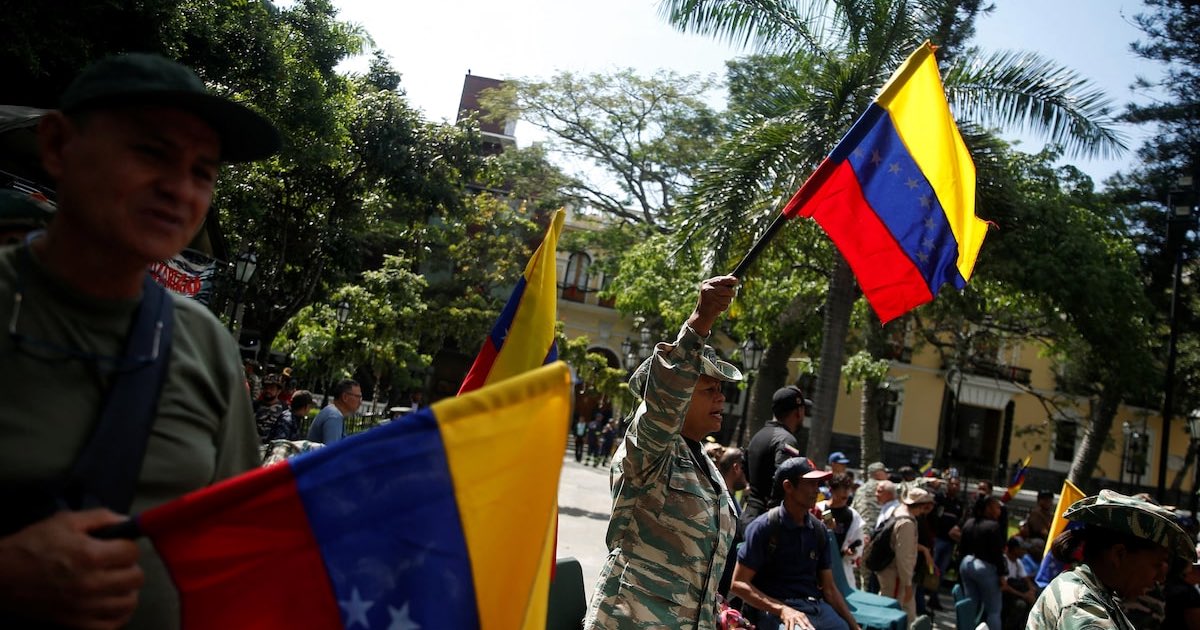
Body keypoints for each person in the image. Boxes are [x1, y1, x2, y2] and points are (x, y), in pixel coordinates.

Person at [0, 52, 278, 629]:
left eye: (204, 171)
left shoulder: (205, 344)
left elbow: (236, 550)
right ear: (57, 146)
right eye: (151, 153)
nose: (179, 190)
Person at [583, 276, 742, 630]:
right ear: (679, 396)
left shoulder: (703, 461)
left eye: (721, 389)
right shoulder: (652, 448)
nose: (721, 397)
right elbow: (664, 401)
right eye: (710, 389)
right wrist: (700, 320)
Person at [1030, 490, 1196, 630]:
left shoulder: (1094, 593)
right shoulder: (1084, 612)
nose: (1160, 578)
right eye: (1157, 564)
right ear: (1119, 554)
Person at [731, 457, 861, 630]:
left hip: (815, 608)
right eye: (810, 483)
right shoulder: (764, 527)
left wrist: (854, 626)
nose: (817, 490)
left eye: (818, 484)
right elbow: (738, 584)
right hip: (775, 611)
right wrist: (782, 609)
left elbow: (829, 588)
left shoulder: (818, 530)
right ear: (788, 486)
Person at [743, 384, 810, 524]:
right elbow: (785, 477)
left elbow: (745, 468)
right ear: (798, 412)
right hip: (769, 521)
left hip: (749, 514)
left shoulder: (758, 435)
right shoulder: (787, 440)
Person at [875, 486, 936, 623]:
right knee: (892, 615)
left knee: (906, 615)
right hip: (896, 576)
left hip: (892, 574)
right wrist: (907, 584)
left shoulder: (898, 511)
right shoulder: (907, 523)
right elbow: (904, 558)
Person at [960, 495, 1008, 630]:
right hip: (986, 568)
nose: (999, 511)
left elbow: (962, 548)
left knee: (971, 605)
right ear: (989, 508)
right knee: (994, 610)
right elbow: (997, 554)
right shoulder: (993, 526)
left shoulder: (969, 523)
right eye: (997, 508)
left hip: (967, 564)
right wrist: (1002, 574)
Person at [816, 473, 865, 589]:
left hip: (840, 567)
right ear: (832, 490)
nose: (845, 492)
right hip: (816, 564)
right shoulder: (819, 508)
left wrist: (852, 552)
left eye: (848, 489)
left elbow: (859, 544)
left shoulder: (853, 516)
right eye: (841, 489)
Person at [929, 475, 966, 611]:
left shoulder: (959, 504)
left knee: (941, 571)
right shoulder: (939, 499)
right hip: (937, 539)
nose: (955, 487)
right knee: (930, 570)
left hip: (949, 543)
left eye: (957, 485)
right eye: (953, 484)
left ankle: (934, 597)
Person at [717, 447, 749, 598]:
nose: (747, 476)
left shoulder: (730, 499)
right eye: (745, 469)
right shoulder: (719, 499)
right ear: (736, 468)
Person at [306, 378, 362, 444]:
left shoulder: (333, 412)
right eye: (358, 396)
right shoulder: (334, 417)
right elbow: (331, 452)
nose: (360, 402)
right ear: (345, 397)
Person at [1000, 536, 1037, 630]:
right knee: (1021, 605)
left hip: (1015, 593)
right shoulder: (1003, 561)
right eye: (1022, 549)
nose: (1024, 551)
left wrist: (1031, 590)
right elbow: (1005, 587)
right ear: (1015, 549)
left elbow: (1026, 579)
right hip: (1004, 595)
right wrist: (1024, 595)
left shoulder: (1018, 562)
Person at [253, 373, 291, 444]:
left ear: (278, 391)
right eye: (266, 388)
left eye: (272, 388)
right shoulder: (255, 406)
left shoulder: (284, 408)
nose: (268, 391)